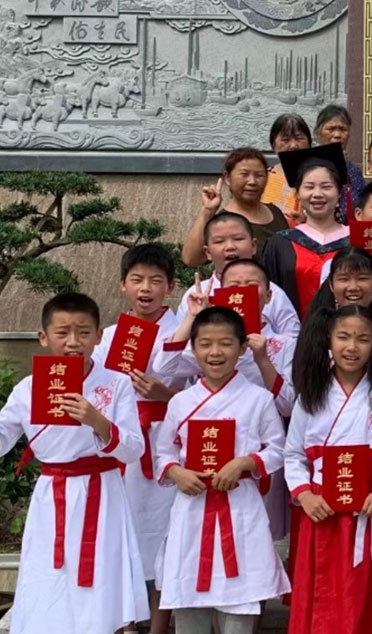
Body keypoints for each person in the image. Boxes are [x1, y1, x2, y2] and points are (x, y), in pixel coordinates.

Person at [0, 292, 147, 634]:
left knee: (103, 575)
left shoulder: (116, 383)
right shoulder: (28, 388)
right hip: (52, 496)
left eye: (83, 332)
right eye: (62, 332)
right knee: (48, 575)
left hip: (103, 493)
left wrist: (98, 421)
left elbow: (134, 449)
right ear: (43, 337)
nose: (73, 342)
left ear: (98, 336)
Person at [154, 306, 290, 634]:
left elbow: (278, 449)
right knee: (189, 602)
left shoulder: (258, 399)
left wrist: (245, 463)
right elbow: (163, 452)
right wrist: (176, 472)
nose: (215, 352)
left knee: (240, 601)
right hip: (192, 509)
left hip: (240, 507)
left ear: (242, 348)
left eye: (226, 343)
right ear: (193, 348)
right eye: (206, 344)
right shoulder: (180, 402)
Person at [284, 305, 372, 634]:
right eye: (344, 337)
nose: (352, 347)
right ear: (329, 339)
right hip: (322, 508)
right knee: (324, 593)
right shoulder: (311, 395)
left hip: (370, 505)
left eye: (363, 339)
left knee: (369, 594)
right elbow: (293, 454)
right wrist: (304, 495)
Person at [91, 245, 182, 630]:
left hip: (167, 443)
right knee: (119, 533)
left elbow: (203, 389)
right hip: (121, 443)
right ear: (122, 285)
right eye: (137, 280)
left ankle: (159, 626)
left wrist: (168, 395)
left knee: (165, 536)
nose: (146, 289)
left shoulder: (184, 331)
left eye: (156, 281)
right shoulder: (108, 337)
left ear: (170, 287)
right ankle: (126, 624)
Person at [158, 261, 298, 418]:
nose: (242, 291)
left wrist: (263, 360)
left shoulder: (286, 344)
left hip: (257, 427)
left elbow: (288, 407)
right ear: (222, 294)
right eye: (234, 286)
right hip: (209, 424)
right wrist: (192, 317)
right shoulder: (209, 344)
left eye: (252, 285)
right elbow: (165, 367)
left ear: (268, 295)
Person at [176, 212, 302, 337]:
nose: (230, 247)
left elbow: (293, 340)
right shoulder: (195, 295)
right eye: (219, 241)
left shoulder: (271, 292)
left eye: (238, 239)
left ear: (253, 246)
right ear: (208, 252)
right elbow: (177, 343)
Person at [262, 144, 351, 317]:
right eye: (309, 187)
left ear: (339, 193)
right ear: (297, 194)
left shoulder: (356, 240)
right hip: (293, 332)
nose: (317, 194)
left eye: (326, 187)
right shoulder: (280, 244)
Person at [184, 148, 289, 266]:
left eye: (259, 175)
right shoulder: (223, 221)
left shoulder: (275, 212)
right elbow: (191, 259)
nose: (252, 182)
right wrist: (207, 211)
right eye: (244, 174)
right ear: (228, 178)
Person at [310, 247, 372, 318]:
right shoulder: (319, 329)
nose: (353, 287)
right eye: (344, 279)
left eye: (362, 278)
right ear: (331, 284)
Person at [263, 114, 313, 224]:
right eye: (285, 139)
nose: (293, 145)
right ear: (273, 145)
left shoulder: (319, 176)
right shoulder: (262, 177)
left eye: (299, 138)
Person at [315, 104, 367, 207]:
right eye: (331, 129)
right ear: (318, 133)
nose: (337, 135)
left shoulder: (354, 172)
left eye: (343, 129)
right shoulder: (308, 168)